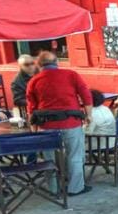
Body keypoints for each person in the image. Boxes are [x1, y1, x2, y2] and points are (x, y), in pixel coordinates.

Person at [26, 51, 93, 196]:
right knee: (75, 156)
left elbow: (31, 107)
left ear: (39, 65)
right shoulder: (71, 75)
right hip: (71, 122)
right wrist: (88, 115)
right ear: (57, 62)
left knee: (49, 159)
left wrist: (33, 128)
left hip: (46, 126)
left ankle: (54, 189)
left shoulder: (34, 81)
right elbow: (86, 96)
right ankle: (75, 188)